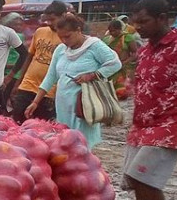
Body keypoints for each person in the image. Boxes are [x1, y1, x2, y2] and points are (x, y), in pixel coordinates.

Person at [122, 0, 177, 200]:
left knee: (142, 176)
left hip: (169, 123)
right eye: (135, 22)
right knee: (134, 178)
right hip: (142, 125)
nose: (138, 27)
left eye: (144, 21)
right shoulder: (145, 49)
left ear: (162, 18)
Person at [24, 13, 121, 149]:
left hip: (84, 104)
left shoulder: (94, 46)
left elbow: (115, 64)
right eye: (61, 37)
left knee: (82, 145)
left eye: (68, 36)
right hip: (64, 104)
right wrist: (35, 102)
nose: (64, 40)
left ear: (78, 30)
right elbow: (51, 76)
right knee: (65, 142)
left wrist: (92, 75)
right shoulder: (61, 50)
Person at [10, 1, 67, 121]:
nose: (50, 23)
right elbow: (29, 57)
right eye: (47, 20)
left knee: (41, 126)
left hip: (49, 91)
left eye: (53, 19)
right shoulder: (40, 32)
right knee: (18, 121)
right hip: (28, 85)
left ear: (63, 16)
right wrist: (18, 82)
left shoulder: (67, 37)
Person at [102, 18, 140, 96]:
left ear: (120, 29)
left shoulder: (127, 37)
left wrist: (125, 62)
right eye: (110, 31)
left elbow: (135, 53)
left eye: (114, 30)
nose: (112, 33)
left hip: (123, 67)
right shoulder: (106, 40)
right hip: (110, 67)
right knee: (109, 91)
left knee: (121, 92)